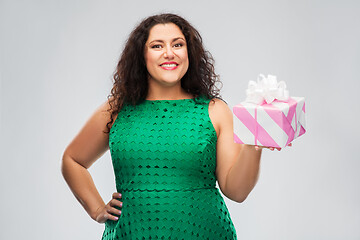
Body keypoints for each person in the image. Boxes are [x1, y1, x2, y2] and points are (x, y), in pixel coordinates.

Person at [61, 13, 282, 239]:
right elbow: (73, 160)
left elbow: (236, 190)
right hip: (131, 233)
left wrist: (254, 145)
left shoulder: (215, 110)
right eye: (157, 46)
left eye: (178, 44)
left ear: (189, 53)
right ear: (141, 55)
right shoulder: (116, 109)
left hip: (205, 232)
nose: (169, 53)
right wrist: (96, 209)